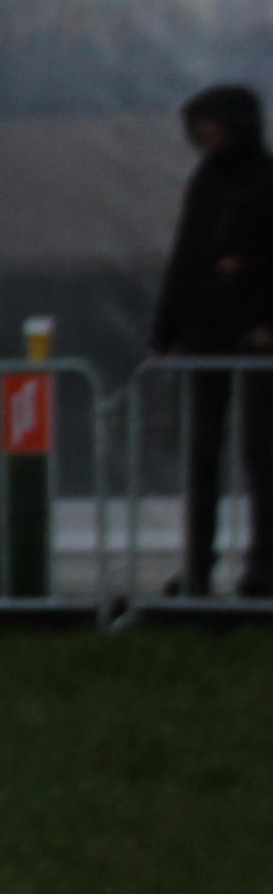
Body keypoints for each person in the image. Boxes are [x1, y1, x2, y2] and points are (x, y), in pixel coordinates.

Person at [154, 84, 273, 597]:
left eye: (210, 123)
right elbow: (187, 255)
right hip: (206, 334)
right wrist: (165, 331)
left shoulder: (265, 181)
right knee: (202, 454)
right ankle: (198, 567)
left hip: (255, 339)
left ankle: (263, 566)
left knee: (262, 453)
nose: (202, 134)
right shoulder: (205, 182)